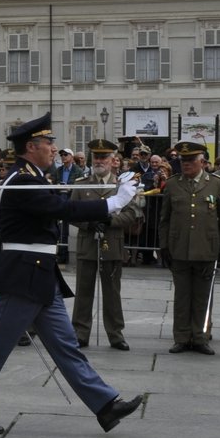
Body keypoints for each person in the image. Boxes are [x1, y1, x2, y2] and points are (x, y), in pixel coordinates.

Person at [0, 114, 143, 435]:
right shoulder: (23, 179)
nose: (54, 148)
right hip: (23, 276)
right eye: (49, 143)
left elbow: (59, 206)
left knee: (66, 347)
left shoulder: (35, 176)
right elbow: (64, 210)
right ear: (32, 147)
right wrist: (117, 200)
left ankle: (105, 406)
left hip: (40, 275)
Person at [71, 139, 145, 351]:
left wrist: (111, 221)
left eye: (104, 157)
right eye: (97, 157)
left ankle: (115, 334)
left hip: (112, 243)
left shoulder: (123, 185)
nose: (99, 161)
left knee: (112, 293)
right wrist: (88, 222)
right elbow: (70, 212)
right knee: (83, 292)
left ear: (114, 160)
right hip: (87, 243)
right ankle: (80, 332)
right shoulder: (81, 184)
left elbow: (133, 213)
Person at [157, 141, 220, 355]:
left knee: (203, 296)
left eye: (190, 160)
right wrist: (164, 246)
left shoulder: (215, 184)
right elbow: (165, 219)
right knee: (182, 296)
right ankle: (181, 337)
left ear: (202, 162)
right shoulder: (172, 184)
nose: (186, 164)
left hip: (206, 247)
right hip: (179, 247)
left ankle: (200, 336)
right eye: (183, 160)